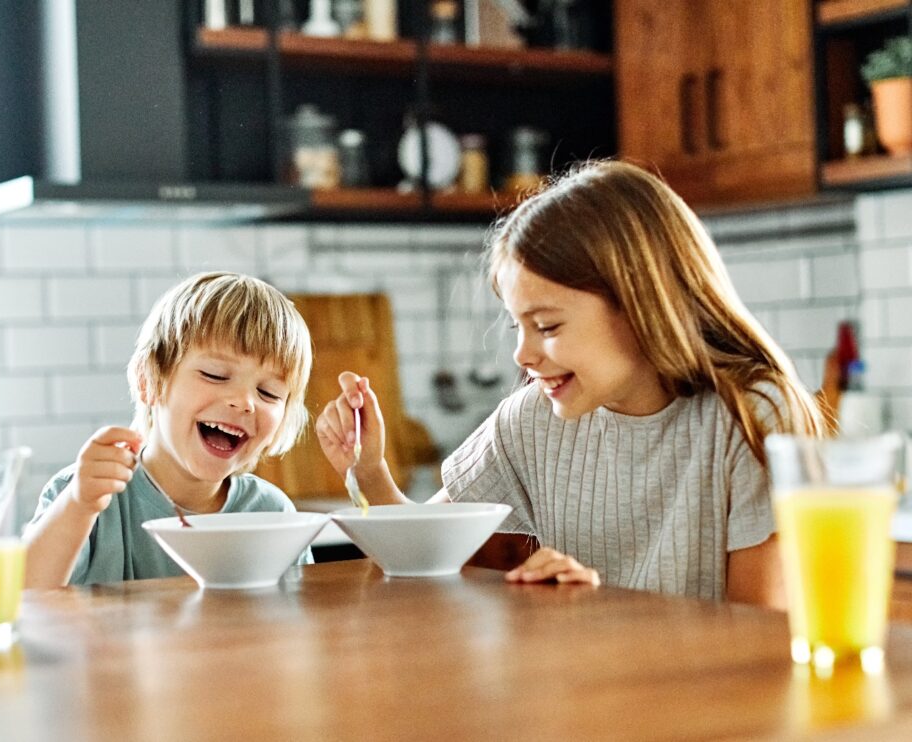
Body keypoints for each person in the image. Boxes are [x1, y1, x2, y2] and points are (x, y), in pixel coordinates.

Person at [315, 160, 822, 609]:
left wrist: (596, 611)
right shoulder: (532, 419)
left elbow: (760, 638)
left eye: (548, 326)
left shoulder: (751, 414)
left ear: (640, 305)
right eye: (518, 325)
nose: (522, 354)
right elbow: (419, 554)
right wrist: (371, 471)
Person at [24, 272, 313, 587]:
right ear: (149, 381)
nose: (244, 403)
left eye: (268, 393)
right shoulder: (85, 494)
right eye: (215, 375)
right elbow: (23, 597)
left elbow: (299, 618)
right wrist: (79, 505)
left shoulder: (273, 514)